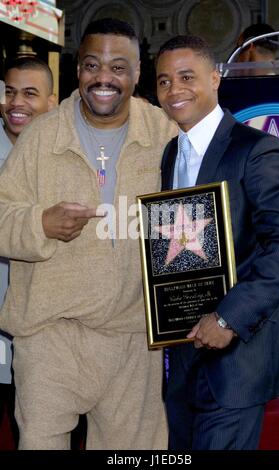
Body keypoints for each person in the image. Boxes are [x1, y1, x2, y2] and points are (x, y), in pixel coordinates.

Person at [0, 18, 177, 450]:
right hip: (49, 335)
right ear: (77, 68)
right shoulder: (40, 137)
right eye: (92, 65)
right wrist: (40, 224)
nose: (103, 78)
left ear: (139, 74)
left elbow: (196, 226)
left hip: (134, 340)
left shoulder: (165, 135)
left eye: (119, 68)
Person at [156, 35, 279, 450]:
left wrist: (227, 319)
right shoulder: (171, 153)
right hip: (183, 357)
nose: (174, 90)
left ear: (216, 78)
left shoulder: (258, 150)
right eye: (164, 81)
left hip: (238, 358)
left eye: (187, 77)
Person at [0, 56, 56, 446]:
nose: (16, 102)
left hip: (47, 335)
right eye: (9, 92)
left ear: (52, 103)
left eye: (30, 93)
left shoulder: (72, 156)